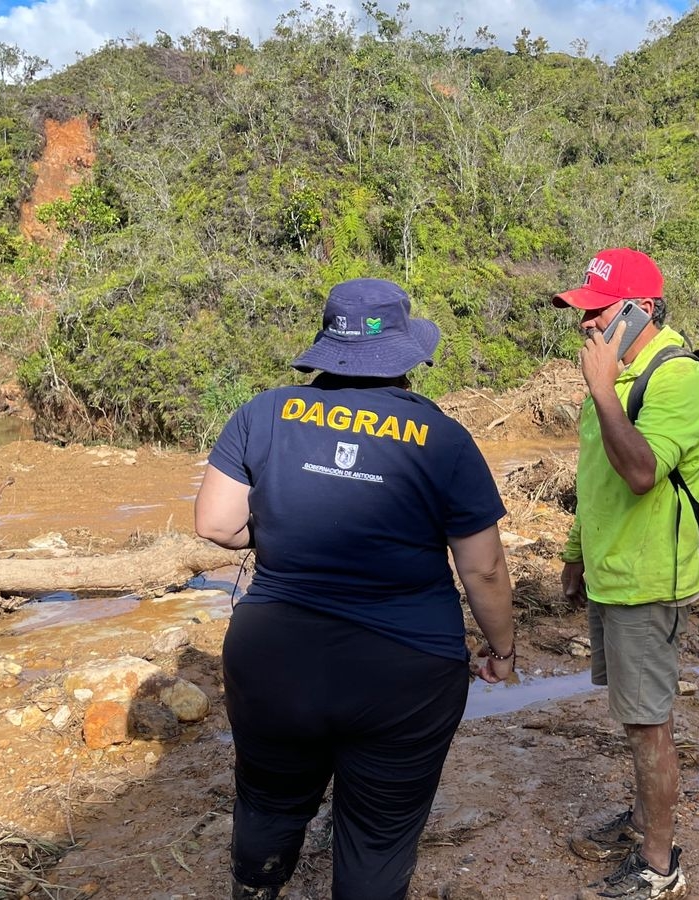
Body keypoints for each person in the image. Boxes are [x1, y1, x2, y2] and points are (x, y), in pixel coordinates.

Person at [195, 277, 516, 900]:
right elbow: (483, 569)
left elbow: (215, 523)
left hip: (273, 655)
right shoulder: (444, 438)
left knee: (268, 797)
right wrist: (501, 650)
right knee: (379, 833)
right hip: (404, 671)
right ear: (407, 359)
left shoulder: (264, 412)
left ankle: (257, 889)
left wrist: (285, 529)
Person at [554, 248, 699, 900]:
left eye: (597, 313)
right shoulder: (618, 375)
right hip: (610, 573)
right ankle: (644, 819)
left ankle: (658, 865)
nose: (585, 326)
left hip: (650, 582)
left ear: (640, 310)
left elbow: (641, 472)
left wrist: (599, 389)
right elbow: (595, 477)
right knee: (636, 719)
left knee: (650, 726)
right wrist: (573, 552)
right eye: (582, 313)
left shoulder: (677, 379)